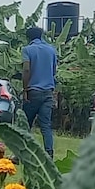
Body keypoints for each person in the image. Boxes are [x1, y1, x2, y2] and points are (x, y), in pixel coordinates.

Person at [22, 25, 58, 157]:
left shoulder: (27, 49)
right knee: (46, 126)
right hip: (48, 92)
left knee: (25, 125)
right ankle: (49, 154)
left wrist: (25, 89)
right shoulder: (51, 50)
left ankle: (22, 153)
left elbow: (26, 69)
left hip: (33, 91)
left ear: (28, 38)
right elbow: (54, 71)